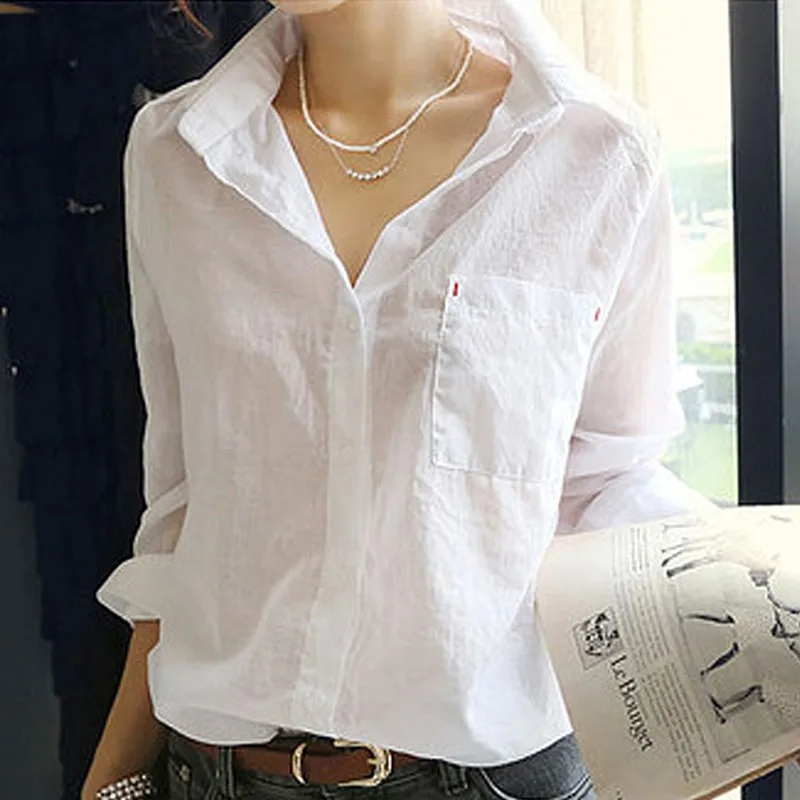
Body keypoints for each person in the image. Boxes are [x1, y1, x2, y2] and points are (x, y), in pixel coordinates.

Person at [81, 1, 714, 798]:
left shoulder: (598, 151)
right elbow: (181, 511)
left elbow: (610, 487)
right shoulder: (174, 153)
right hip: (218, 773)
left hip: (496, 777)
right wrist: (110, 777)